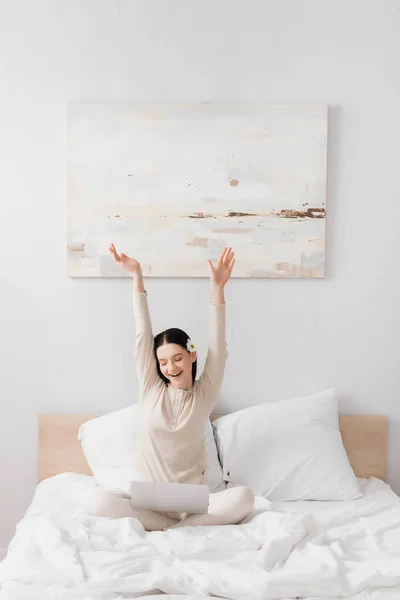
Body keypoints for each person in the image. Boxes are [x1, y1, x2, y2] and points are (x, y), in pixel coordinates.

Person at [91, 244, 254, 530]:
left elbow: (219, 347)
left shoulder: (204, 394)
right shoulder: (151, 387)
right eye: (163, 362)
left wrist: (218, 288)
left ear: (192, 355)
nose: (170, 367)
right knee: (99, 503)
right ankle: (174, 531)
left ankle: (177, 530)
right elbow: (143, 334)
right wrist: (136, 276)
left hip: (192, 508)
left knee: (243, 498)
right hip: (149, 505)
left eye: (177, 358)